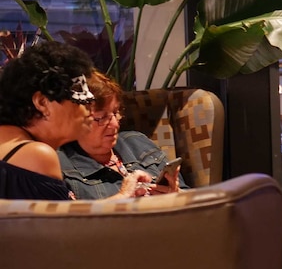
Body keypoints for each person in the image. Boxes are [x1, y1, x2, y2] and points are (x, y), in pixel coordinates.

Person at [59, 70, 185, 199]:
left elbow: (191, 196)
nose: (115, 124)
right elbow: (69, 218)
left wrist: (177, 195)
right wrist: (122, 197)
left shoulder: (138, 141)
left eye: (116, 112)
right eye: (101, 117)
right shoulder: (60, 166)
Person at [0, 40, 95, 200]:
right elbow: (66, 224)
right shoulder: (37, 155)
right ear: (42, 102)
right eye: (77, 90)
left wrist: (122, 196)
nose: (91, 101)